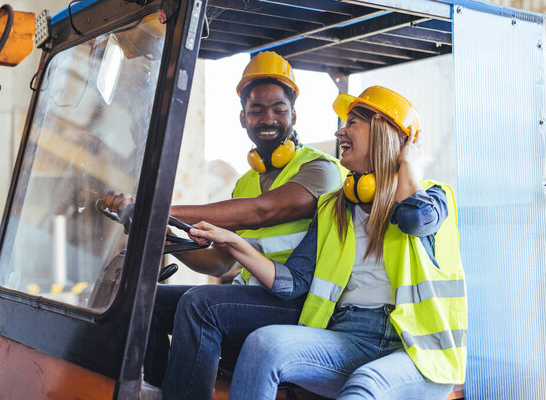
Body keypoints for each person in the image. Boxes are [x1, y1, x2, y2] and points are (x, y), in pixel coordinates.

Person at [186, 86, 467, 400]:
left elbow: (415, 221)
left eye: (352, 123)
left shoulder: (435, 197)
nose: (340, 131)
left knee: (363, 387)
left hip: (416, 351)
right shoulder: (333, 208)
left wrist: (407, 163)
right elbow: (292, 283)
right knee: (263, 344)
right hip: (348, 337)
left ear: (383, 133)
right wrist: (233, 242)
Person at [100, 51, 344, 398]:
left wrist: (150, 208)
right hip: (253, 294)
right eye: (257, 109)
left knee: (201, 304)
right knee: (147, 301)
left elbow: (262, 212)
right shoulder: (245, 183)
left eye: (278, 108)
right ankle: (154, 389)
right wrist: (159, 234)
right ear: (243, 117)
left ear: (293, 114)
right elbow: (218, 262)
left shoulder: (320, 169)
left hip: (299, 298)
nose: (268, 117)